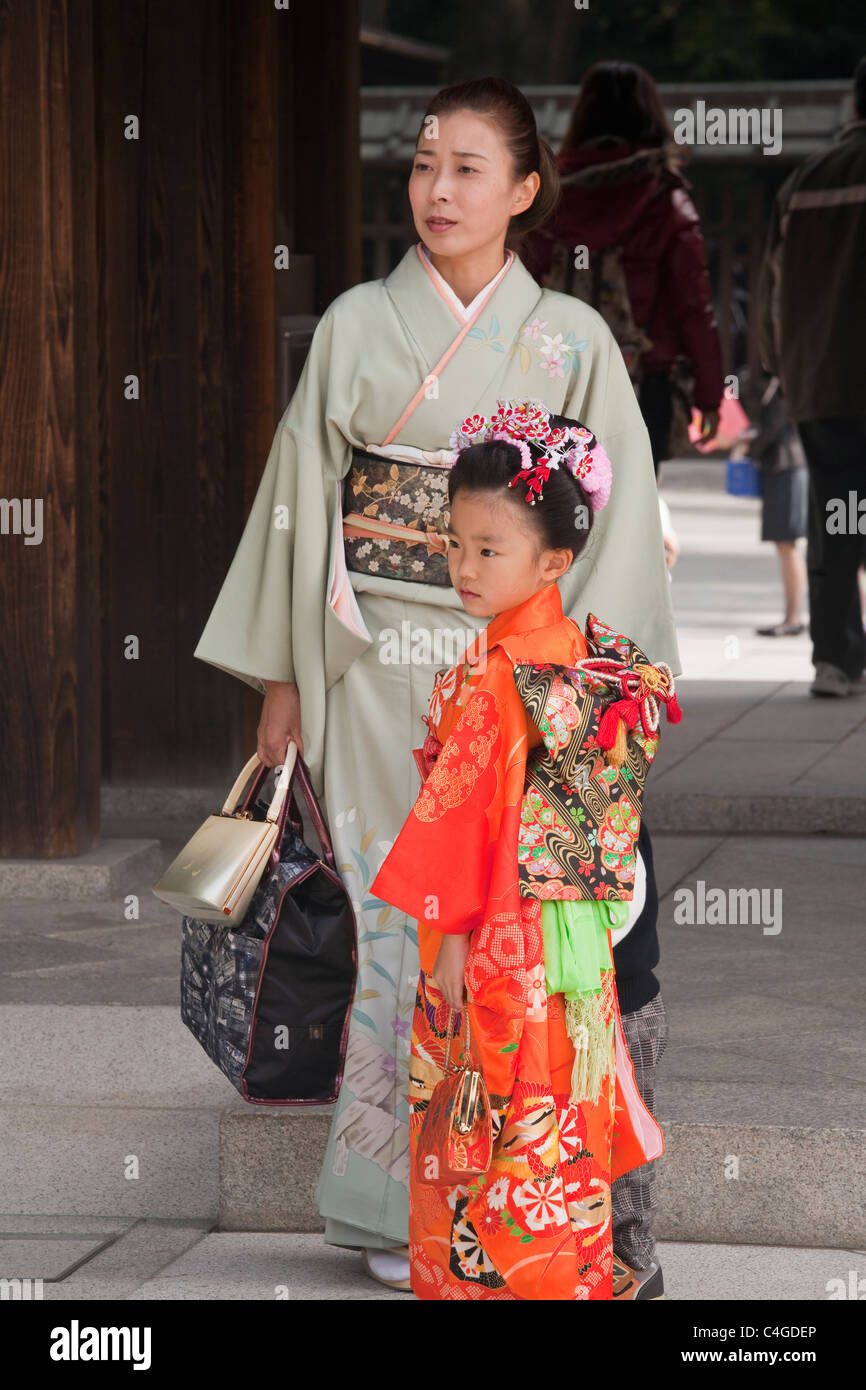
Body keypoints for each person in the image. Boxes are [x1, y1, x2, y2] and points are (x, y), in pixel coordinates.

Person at [193, 75, 680, 1292]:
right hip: (368, 661)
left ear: (524, 192)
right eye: (422, 165)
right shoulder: (359, 323)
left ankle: (504, 1205)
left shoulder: (568, 341)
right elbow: (303, 503)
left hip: (514, 680)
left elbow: (611, 527)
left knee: (501, 934)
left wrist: (576, 696)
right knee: (393, 920)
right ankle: (387, 1199)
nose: (437, 190)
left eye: (468, 169)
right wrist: (282, 679)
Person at [371, 403, 677, 1299]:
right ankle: (579, 1271)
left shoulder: (502, 674)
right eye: (455, 543)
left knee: (496, 1113)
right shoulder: (581, 656)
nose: (463, 566)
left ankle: (506, 1284)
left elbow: (467, 823)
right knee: (556, 1121)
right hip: (573, 933)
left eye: (488, 550)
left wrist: (456, 941)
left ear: (554, 562)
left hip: (508, 937)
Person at [520, 60, 724, 477]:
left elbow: (519, 291)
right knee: (632, 511)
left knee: (554, 510)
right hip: (645, 382)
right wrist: (710, 395)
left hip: (554, 382)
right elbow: (694, 306)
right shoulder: (665, 201)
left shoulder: (545, 199)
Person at [757, 56, 866, 697]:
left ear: (854, 106)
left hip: (822, 382)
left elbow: (773, 289)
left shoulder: (805, 180)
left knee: (838, 515)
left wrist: (777, 366)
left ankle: (836, 659)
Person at [745, 377, 808, 638]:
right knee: (785, 546)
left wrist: (747, 447)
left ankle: (793, 617)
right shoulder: (779, 384)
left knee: (787, 544)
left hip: (787, 468)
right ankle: (792, 615)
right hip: (784, 468)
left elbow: (773, 429)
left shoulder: (787, 385)